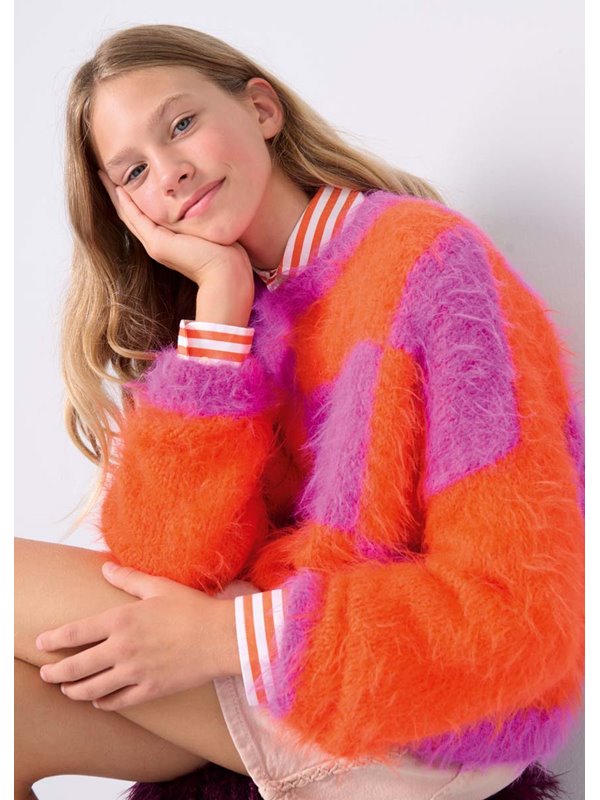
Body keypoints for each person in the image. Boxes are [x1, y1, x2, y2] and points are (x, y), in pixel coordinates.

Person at [14, 23, 584, 800]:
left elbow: (521, 613)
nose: (171, 173)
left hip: (433, 713)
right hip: (286, 680)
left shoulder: (429, 264)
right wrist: (220, 307)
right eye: (134, 170)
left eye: (181, 124)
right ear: (127, 212)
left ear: (261, 109)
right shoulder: (230, 317)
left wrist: (229, 636)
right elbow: (161, 572)